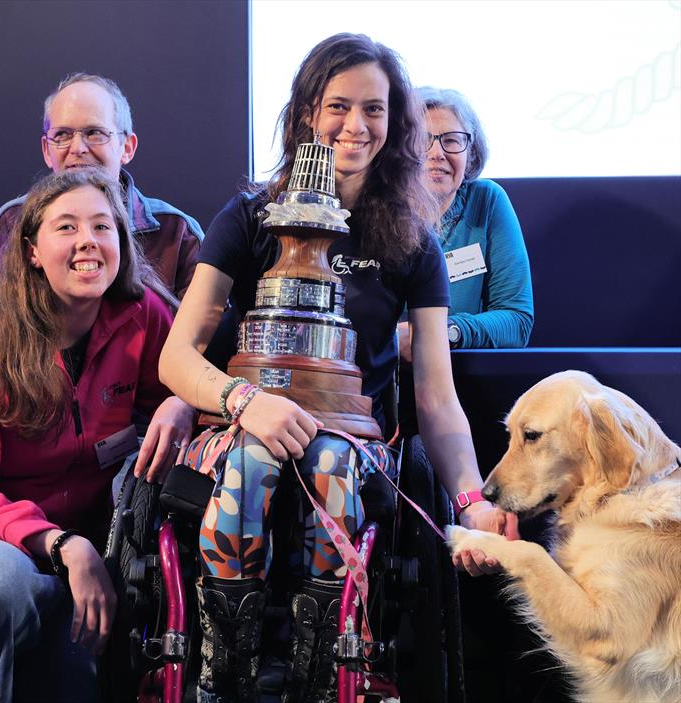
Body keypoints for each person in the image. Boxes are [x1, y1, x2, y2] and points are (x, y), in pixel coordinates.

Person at [158, 33, 517, 703]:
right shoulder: (249, 218)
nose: (357, 125)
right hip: (243, 427)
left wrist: (470, 500)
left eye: (374, 109)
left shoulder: (412, 240)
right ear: (306, 114)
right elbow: (176, 354)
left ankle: (322, 674)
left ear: (394, 122)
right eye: (338, 106)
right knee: (254, 458)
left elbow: (436, 398)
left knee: (328, 459)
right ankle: (223, 676)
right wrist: (244, 402)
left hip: (354, 444)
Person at [0, 169, 194, 703]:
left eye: (102, 226)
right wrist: (63, 545)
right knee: (1, 588)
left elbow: (192, 387)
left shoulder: (142, 316)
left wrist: (182, 402)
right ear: (32, 251)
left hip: (77, 560)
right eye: (67, 227)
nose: (88, 240)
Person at [0, 73, 203, 300]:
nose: (77, 148)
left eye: (94, 133)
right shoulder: (14, 221)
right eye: (62, 135)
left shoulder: (177, 232)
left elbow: (205, 324)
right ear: (47, 151)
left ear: (127, 147)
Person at [399, 87, 533, 355]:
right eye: (422, 140)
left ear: (470, 154)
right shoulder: (373, 207)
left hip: (460, 370)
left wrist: (444, 332)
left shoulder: (487, 201)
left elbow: (517, 320)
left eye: (451, 140)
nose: (437, 153)